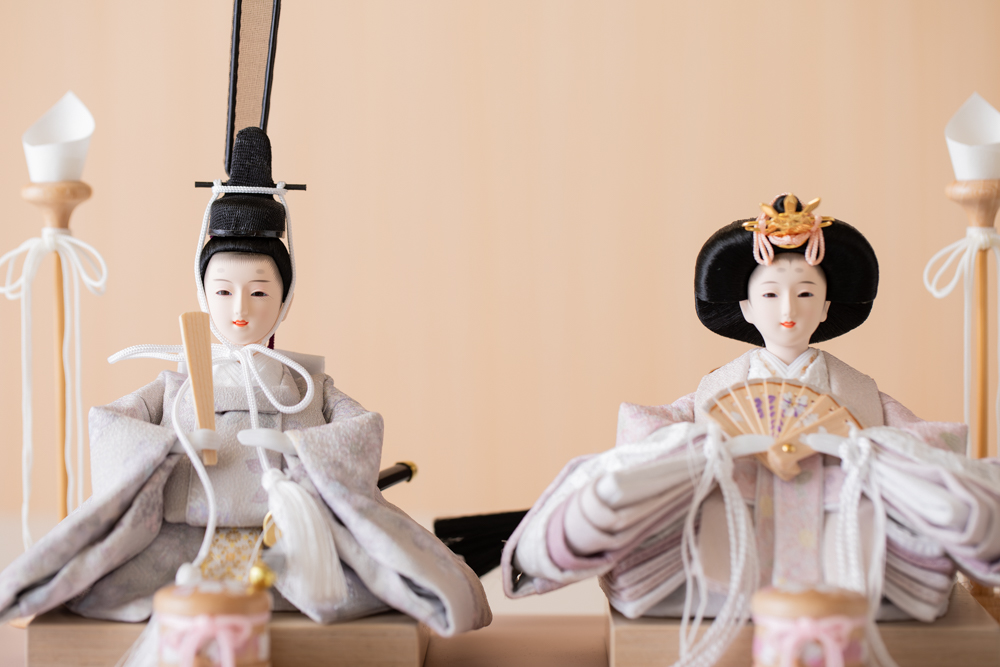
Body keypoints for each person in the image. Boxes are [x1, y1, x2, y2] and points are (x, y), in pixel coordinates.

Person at [0, 127, 491, 637]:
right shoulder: (178, 381)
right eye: (223, 291)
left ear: (284, 296)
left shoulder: (307, 385)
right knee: (110, 585)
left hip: (290, 534)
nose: (240, 308)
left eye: (259, 292)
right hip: (184, 537)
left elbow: (361, 428)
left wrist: (299, 450)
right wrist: (171, 448)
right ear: (203, 292)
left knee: (353, 581)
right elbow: (110, 425)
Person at [500, 194, 1000, 662]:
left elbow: (924, 445)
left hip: (841, 536)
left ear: (827, 306)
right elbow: (649, 432)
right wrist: (693, 446)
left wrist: (874, 451)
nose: (788, 309)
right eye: (771, 293)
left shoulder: (860, 393)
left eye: (806, 292)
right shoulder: (717, 391)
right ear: (746, 306)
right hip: (730, 527)